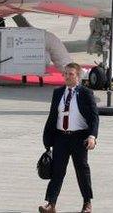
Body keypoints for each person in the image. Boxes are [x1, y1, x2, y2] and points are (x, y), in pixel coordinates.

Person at [40, 62, 99, 213]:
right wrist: (48, 139)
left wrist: (92, 136)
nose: (67, 77)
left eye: (70, 74)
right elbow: (53, 116)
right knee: (57, 171)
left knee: (82, 171)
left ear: (78, 76)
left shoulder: (86, 93)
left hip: (79, 138)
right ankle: (50, 204)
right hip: (61, 138)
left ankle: (87, 203)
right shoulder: (58, 92)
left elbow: (94, 118)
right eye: (65, 74)